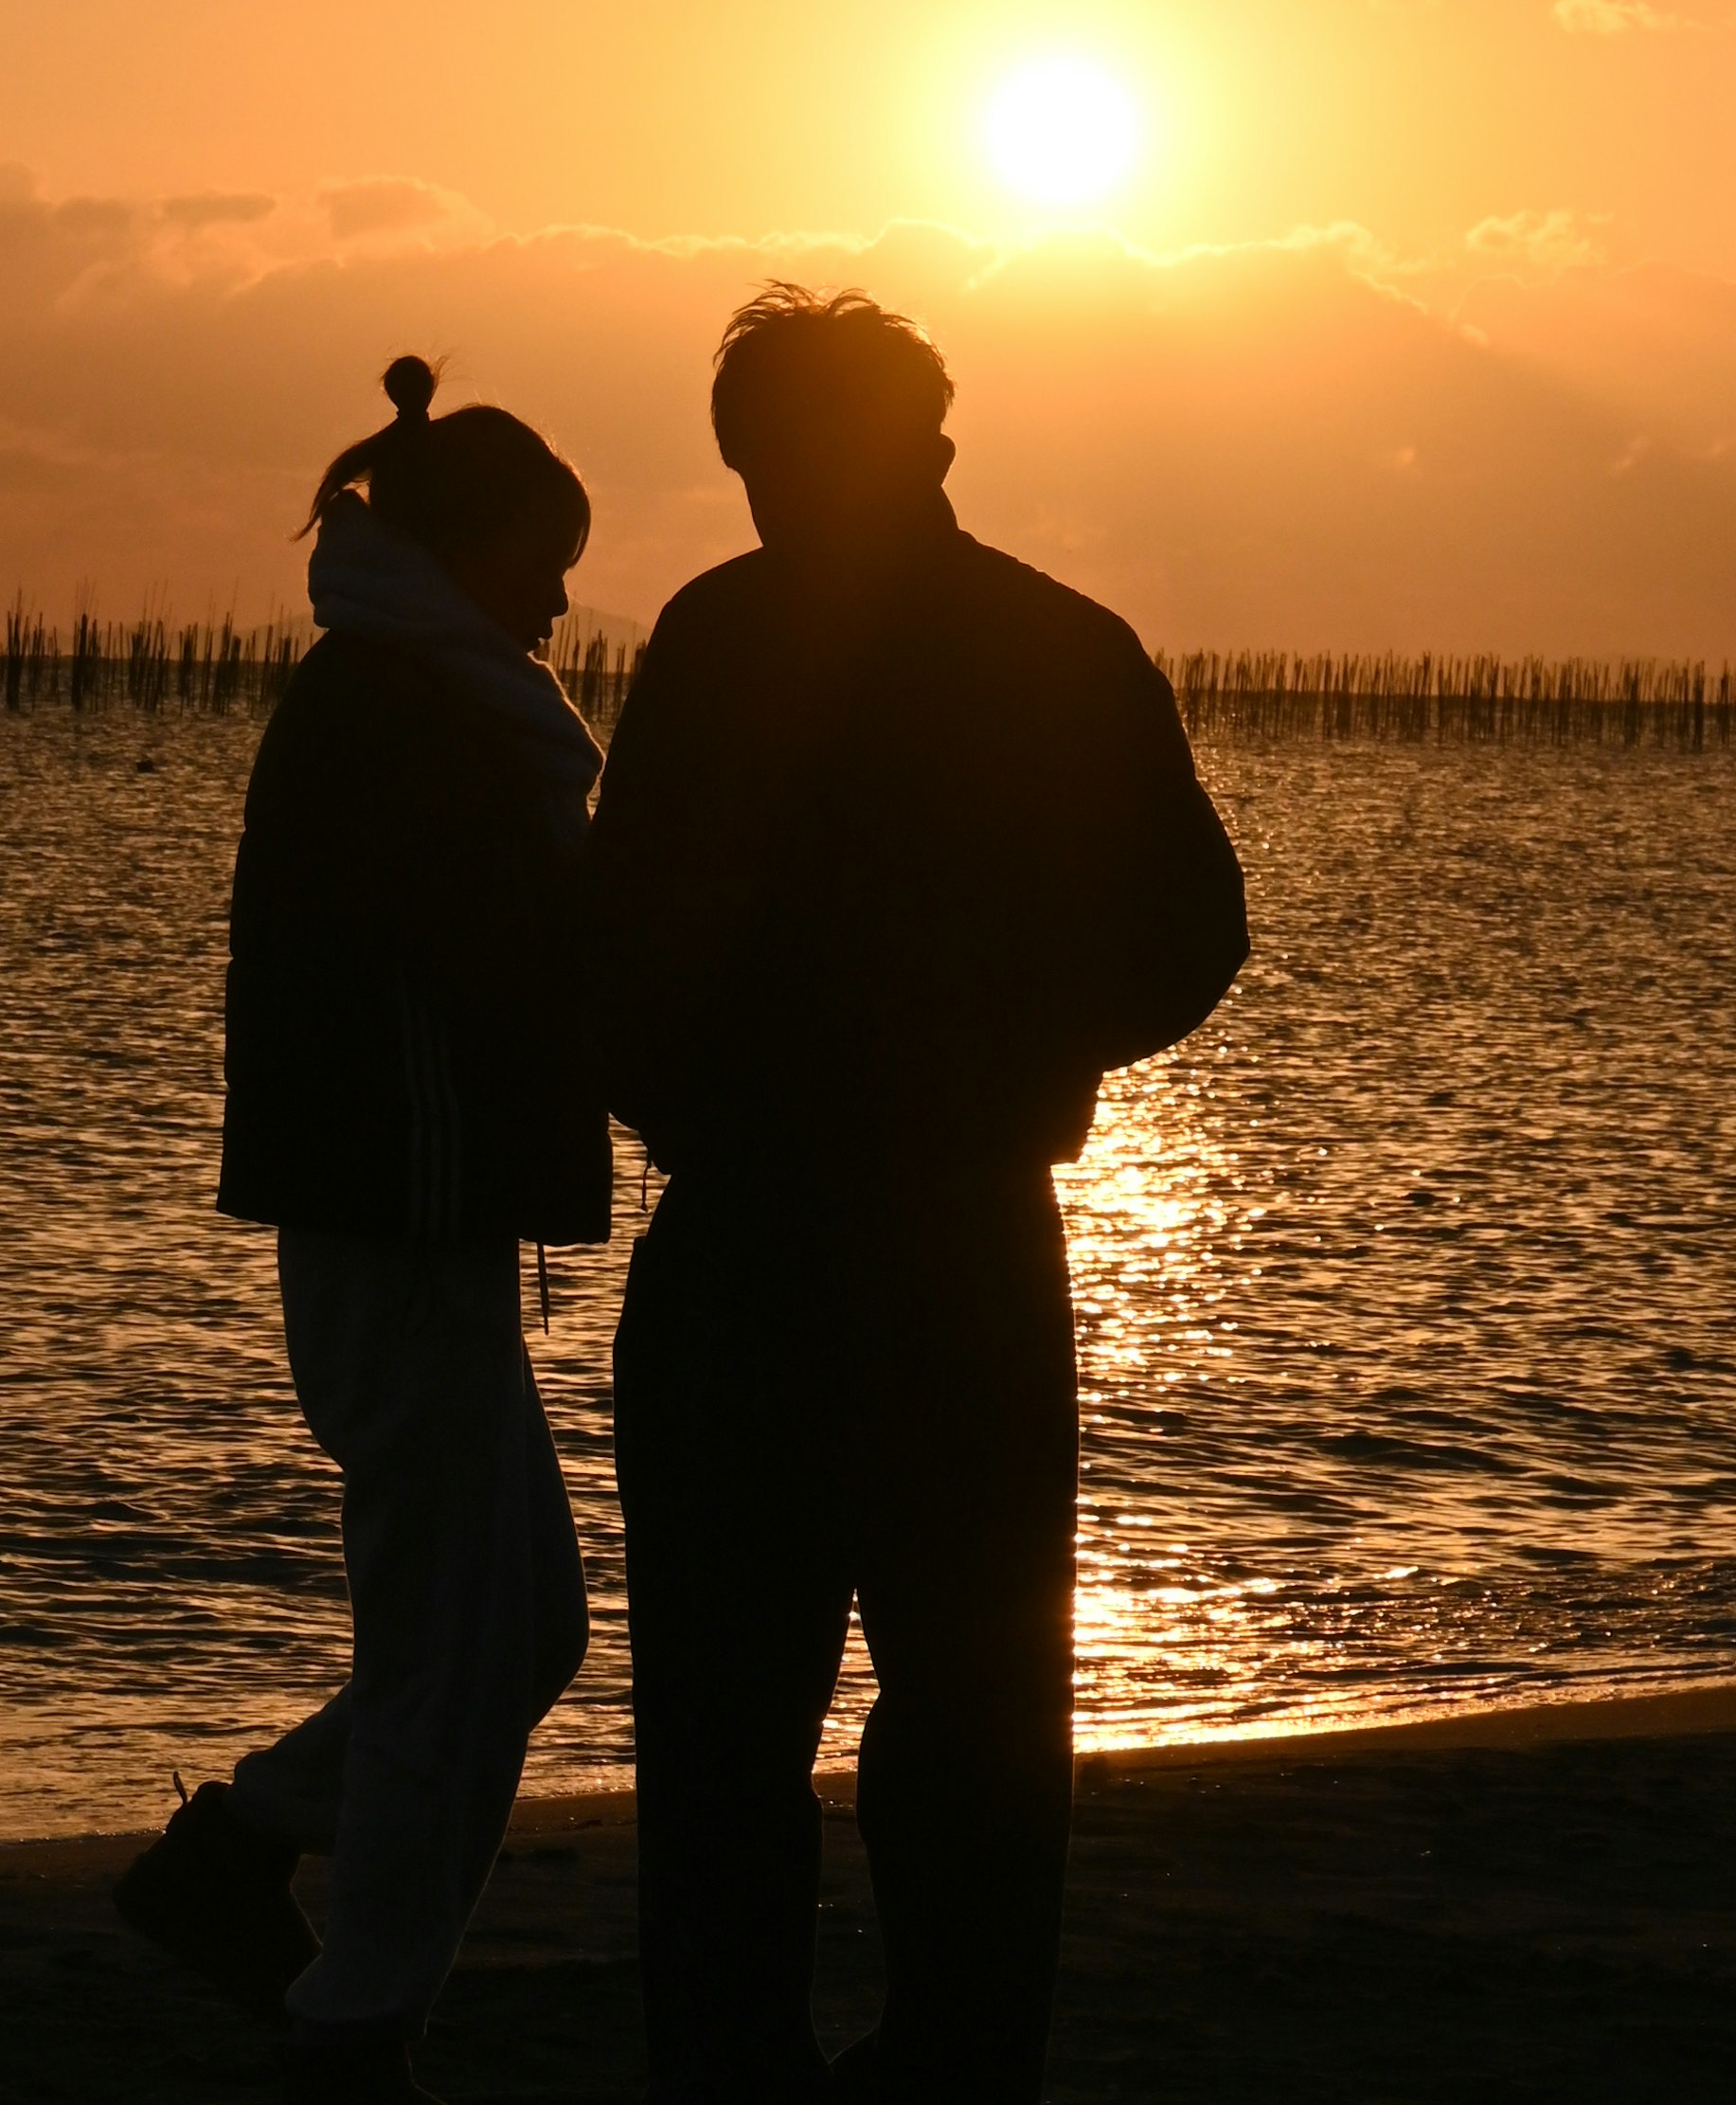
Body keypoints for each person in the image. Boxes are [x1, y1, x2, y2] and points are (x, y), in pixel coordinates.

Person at [593, 284, 1246, 2105]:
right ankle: (961, 2065)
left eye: (757, 458)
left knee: (724, 1728)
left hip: (752, 1244)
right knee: (973, 1713)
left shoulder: (718, 643)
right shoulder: (1064, 646)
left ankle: (735, 2068)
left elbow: (617, 943)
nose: (749, 490)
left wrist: (688, 1084)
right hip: (965, 1246)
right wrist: (1024, 1046)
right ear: (935, 443)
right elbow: (1195, 942)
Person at [116, 356, 611, 2102]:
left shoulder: (417, 691)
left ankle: (244, 1847)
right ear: (471, 550)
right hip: (398, 1224)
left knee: (509, 1631)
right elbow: (483, 973)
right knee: (454, 1650)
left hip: (418, 1222)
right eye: (546, 559)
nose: (564, 597)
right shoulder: (405, 709)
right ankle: (355, 2023)